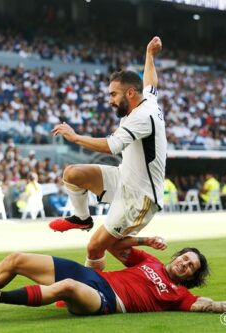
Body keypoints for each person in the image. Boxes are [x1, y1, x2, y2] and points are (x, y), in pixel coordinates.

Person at [48, 36, 167, 271]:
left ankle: (89, 291)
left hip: (140, 197)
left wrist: (74, 137)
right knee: (72, 174)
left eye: (114, 94)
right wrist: (149, 55)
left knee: (96, 247)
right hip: (124, 178)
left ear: (130, 93)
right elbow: (150, 83)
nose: (110, 100)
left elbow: (111, 146)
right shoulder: (147, 101)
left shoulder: (142, 117)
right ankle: (82, 218)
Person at [0, 236, 226, 315]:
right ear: (175, 256)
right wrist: (141, 239)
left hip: (107, 300)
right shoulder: (149, 262)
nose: (185, 265)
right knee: (17, 259)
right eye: (184, 259)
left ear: (191, 277)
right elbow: (110, 243)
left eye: (190, 268)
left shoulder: (181, 296)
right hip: (96, 277)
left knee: (66, 286)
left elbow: (213, 305)